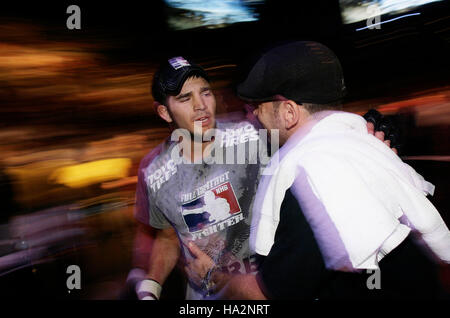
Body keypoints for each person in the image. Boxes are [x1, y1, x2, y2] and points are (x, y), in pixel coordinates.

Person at [123, 54, 400, 300]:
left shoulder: (253, 135)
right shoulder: (154, 171)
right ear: (163, 111)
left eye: (205, 92)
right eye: (185, 98)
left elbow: (312, 132)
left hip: (265, 286)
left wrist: (366, 130)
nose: (200, 106)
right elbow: (168, 236)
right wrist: (152, 284)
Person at [187, 41, 450, 299]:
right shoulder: (362, 148)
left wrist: (217, 278)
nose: (252, 117)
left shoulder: (314, 178)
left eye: (258, 108)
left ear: (289, 113)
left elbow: (269, 294)